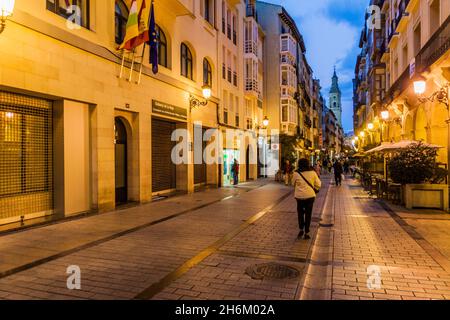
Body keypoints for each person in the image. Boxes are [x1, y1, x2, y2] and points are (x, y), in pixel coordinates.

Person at [292, 158, 322, 240]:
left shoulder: (296, 173)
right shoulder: (312, 173)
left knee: (300, 213)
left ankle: (301, 229)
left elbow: (292, 183)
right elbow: (319, 184)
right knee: (308, 214)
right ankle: (307, 232)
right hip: (310, 196)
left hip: (299, 197)